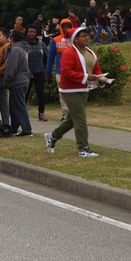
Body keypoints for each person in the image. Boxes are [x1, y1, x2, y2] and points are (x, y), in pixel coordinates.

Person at [45, 26, 107, 158]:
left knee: (73, 119)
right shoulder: (68, 53)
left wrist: (101, 78)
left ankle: (53, 136)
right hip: (70, 90)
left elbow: (96, 69)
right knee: (81, 119)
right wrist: (86, 77)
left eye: (87, 35)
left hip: (84, 89)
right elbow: (66, 73)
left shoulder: (91, 53)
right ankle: (83, 149)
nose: (87, 38)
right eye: (83, 36)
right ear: (75, 39)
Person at [5, 29, 33, 136]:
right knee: (14, 106)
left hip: (17, 81)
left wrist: (8, 77)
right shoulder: (20, 49)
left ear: (12, 38)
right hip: (21, 80)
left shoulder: (16, 50)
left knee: (19, 105)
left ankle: (27, 129)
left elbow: (12, 66)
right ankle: (15, 128)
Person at [46, 18, 74, 120]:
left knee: (73, 93)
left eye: (68, 26)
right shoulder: (56, 40)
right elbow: (50, 57)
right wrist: (48, 72)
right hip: (60, 71)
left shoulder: (75, 40)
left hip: (73, 71)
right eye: (64, 27)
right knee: (63, 93)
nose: (66, 29)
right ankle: (65, 113)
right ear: (61, 28)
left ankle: (73, 113)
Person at [19, 25, 48, 122]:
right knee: (25, 94)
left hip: (39, 72)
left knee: (41, 93)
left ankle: (41, 113)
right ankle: (22, 113)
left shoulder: (41, 45)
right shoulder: (23, 45)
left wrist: (45, 71)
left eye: (34, 32)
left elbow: (46, 59)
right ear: (26, 33)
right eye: (30, 32)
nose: (32, 33)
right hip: (27, 73)